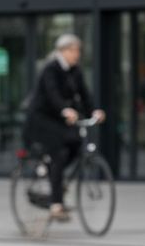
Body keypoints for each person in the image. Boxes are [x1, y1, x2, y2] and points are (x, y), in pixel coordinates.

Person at [25, 33, 106, 220]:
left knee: (77, 143)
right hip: (41, 118)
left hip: (60, 119)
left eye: (78, 50)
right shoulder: (50, 69)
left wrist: (94, 111)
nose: (76, 54)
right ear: (62, 51)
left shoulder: (75, 70)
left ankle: (56, 177)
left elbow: (84, 95)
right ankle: (56, 205)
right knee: (59, 152)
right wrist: (65, 109)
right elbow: (52, 95)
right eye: (73, 50)